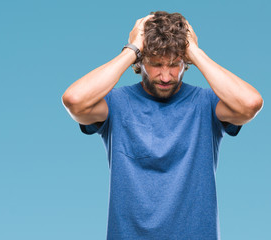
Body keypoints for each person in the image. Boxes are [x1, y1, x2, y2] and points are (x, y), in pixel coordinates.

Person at [61, 11, 263, 240]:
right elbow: (74, 101)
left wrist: (194, 51)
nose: (166, 76)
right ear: (141, 60)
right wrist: (133, 48)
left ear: (185, 61)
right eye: (156, 64)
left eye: (174, 64)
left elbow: (250, 104)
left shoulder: (206, 104)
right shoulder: (116, 103)